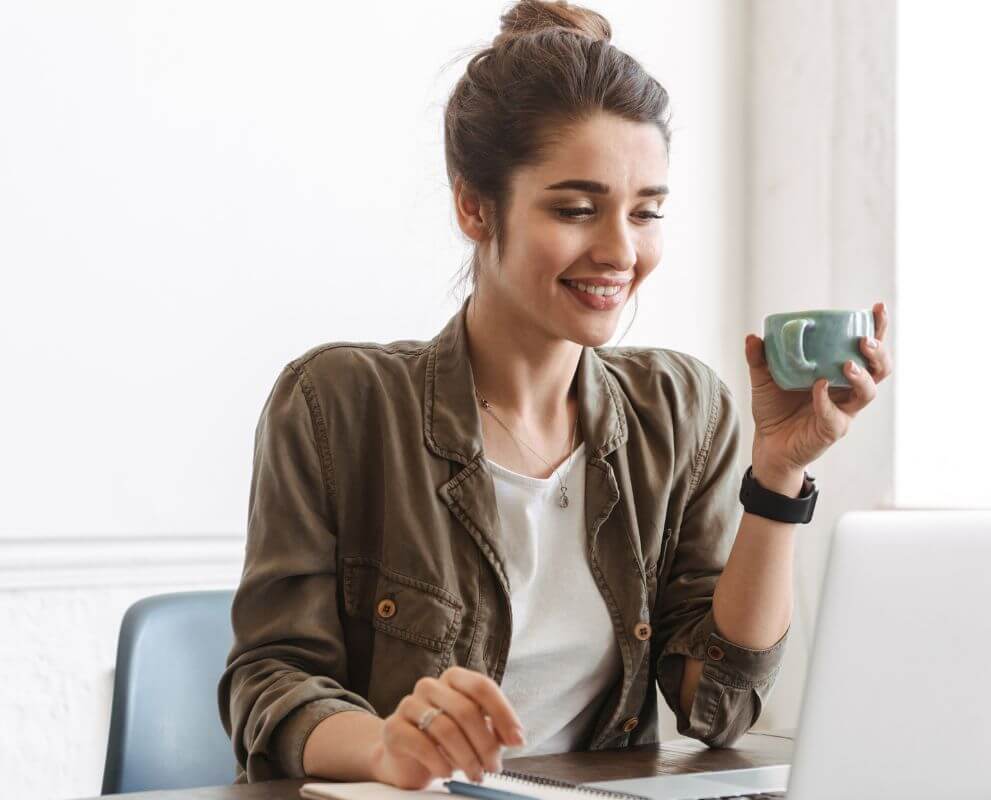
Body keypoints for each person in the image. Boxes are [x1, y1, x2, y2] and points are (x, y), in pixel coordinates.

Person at [217, 0, 892, 789]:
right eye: (576, 209)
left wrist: (777, 475)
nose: (619, 251)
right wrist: (385, 746)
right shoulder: (338, 405)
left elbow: (717, 707)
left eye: (647, 213)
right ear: (474, 205)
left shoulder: (680, 411)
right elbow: (271, 683)